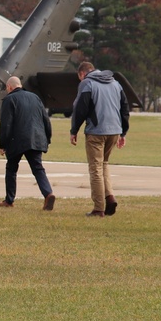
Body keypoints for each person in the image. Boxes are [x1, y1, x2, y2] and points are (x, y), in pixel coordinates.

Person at [70, 61, 129, 216]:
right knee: (104, 164)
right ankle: (110, 197)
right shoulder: (115, 83)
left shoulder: (87, 83)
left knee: (95, 168)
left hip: (96, 131)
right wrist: (123, 133)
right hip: (114, 130)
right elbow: (124, 107)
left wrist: (74, 130)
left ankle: (98, 208)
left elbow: (80, 108)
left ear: (82, 74)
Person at [0, 76, 55, 210]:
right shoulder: (35, 97)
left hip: (17, 141)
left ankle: (9, 200)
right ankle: (48, 194)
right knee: (38, 169)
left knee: (11, 169)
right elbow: (46, 120)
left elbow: (6, 125)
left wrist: (2, 145)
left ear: (9, 87)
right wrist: (47, 138)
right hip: (36, 139)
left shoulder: (9, 99)